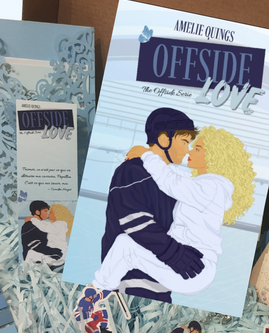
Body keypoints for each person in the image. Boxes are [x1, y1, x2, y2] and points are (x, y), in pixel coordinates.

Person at [95, 125, 256, 296]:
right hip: (191, 262)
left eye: (197, 149)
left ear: (214, 157)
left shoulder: (212, 188)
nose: (190, 151)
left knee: (124, 245)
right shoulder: (206, 185)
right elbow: (175, 174)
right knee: (126, 247)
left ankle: (95, 293)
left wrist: (146, 155)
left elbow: (171, 182)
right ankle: (98, 292)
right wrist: (148, 156)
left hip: (194, 265)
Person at [95, 108, 205, 303]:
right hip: (127, 283)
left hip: (158, 282)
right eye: (184, 142)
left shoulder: (169, 179)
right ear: (164, 140)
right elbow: (136, 223)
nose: (187, 149)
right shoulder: (132, 170)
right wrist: (174, 253)